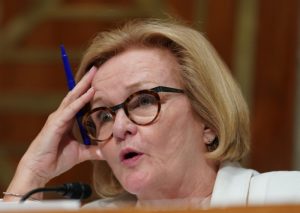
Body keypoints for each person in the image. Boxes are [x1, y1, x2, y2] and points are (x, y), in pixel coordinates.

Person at [3, 18, 300, 209]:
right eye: (104, 115)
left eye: (143, 101)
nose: (120, 128)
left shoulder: (283, 197)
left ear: (208, 120)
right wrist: (32, 174)